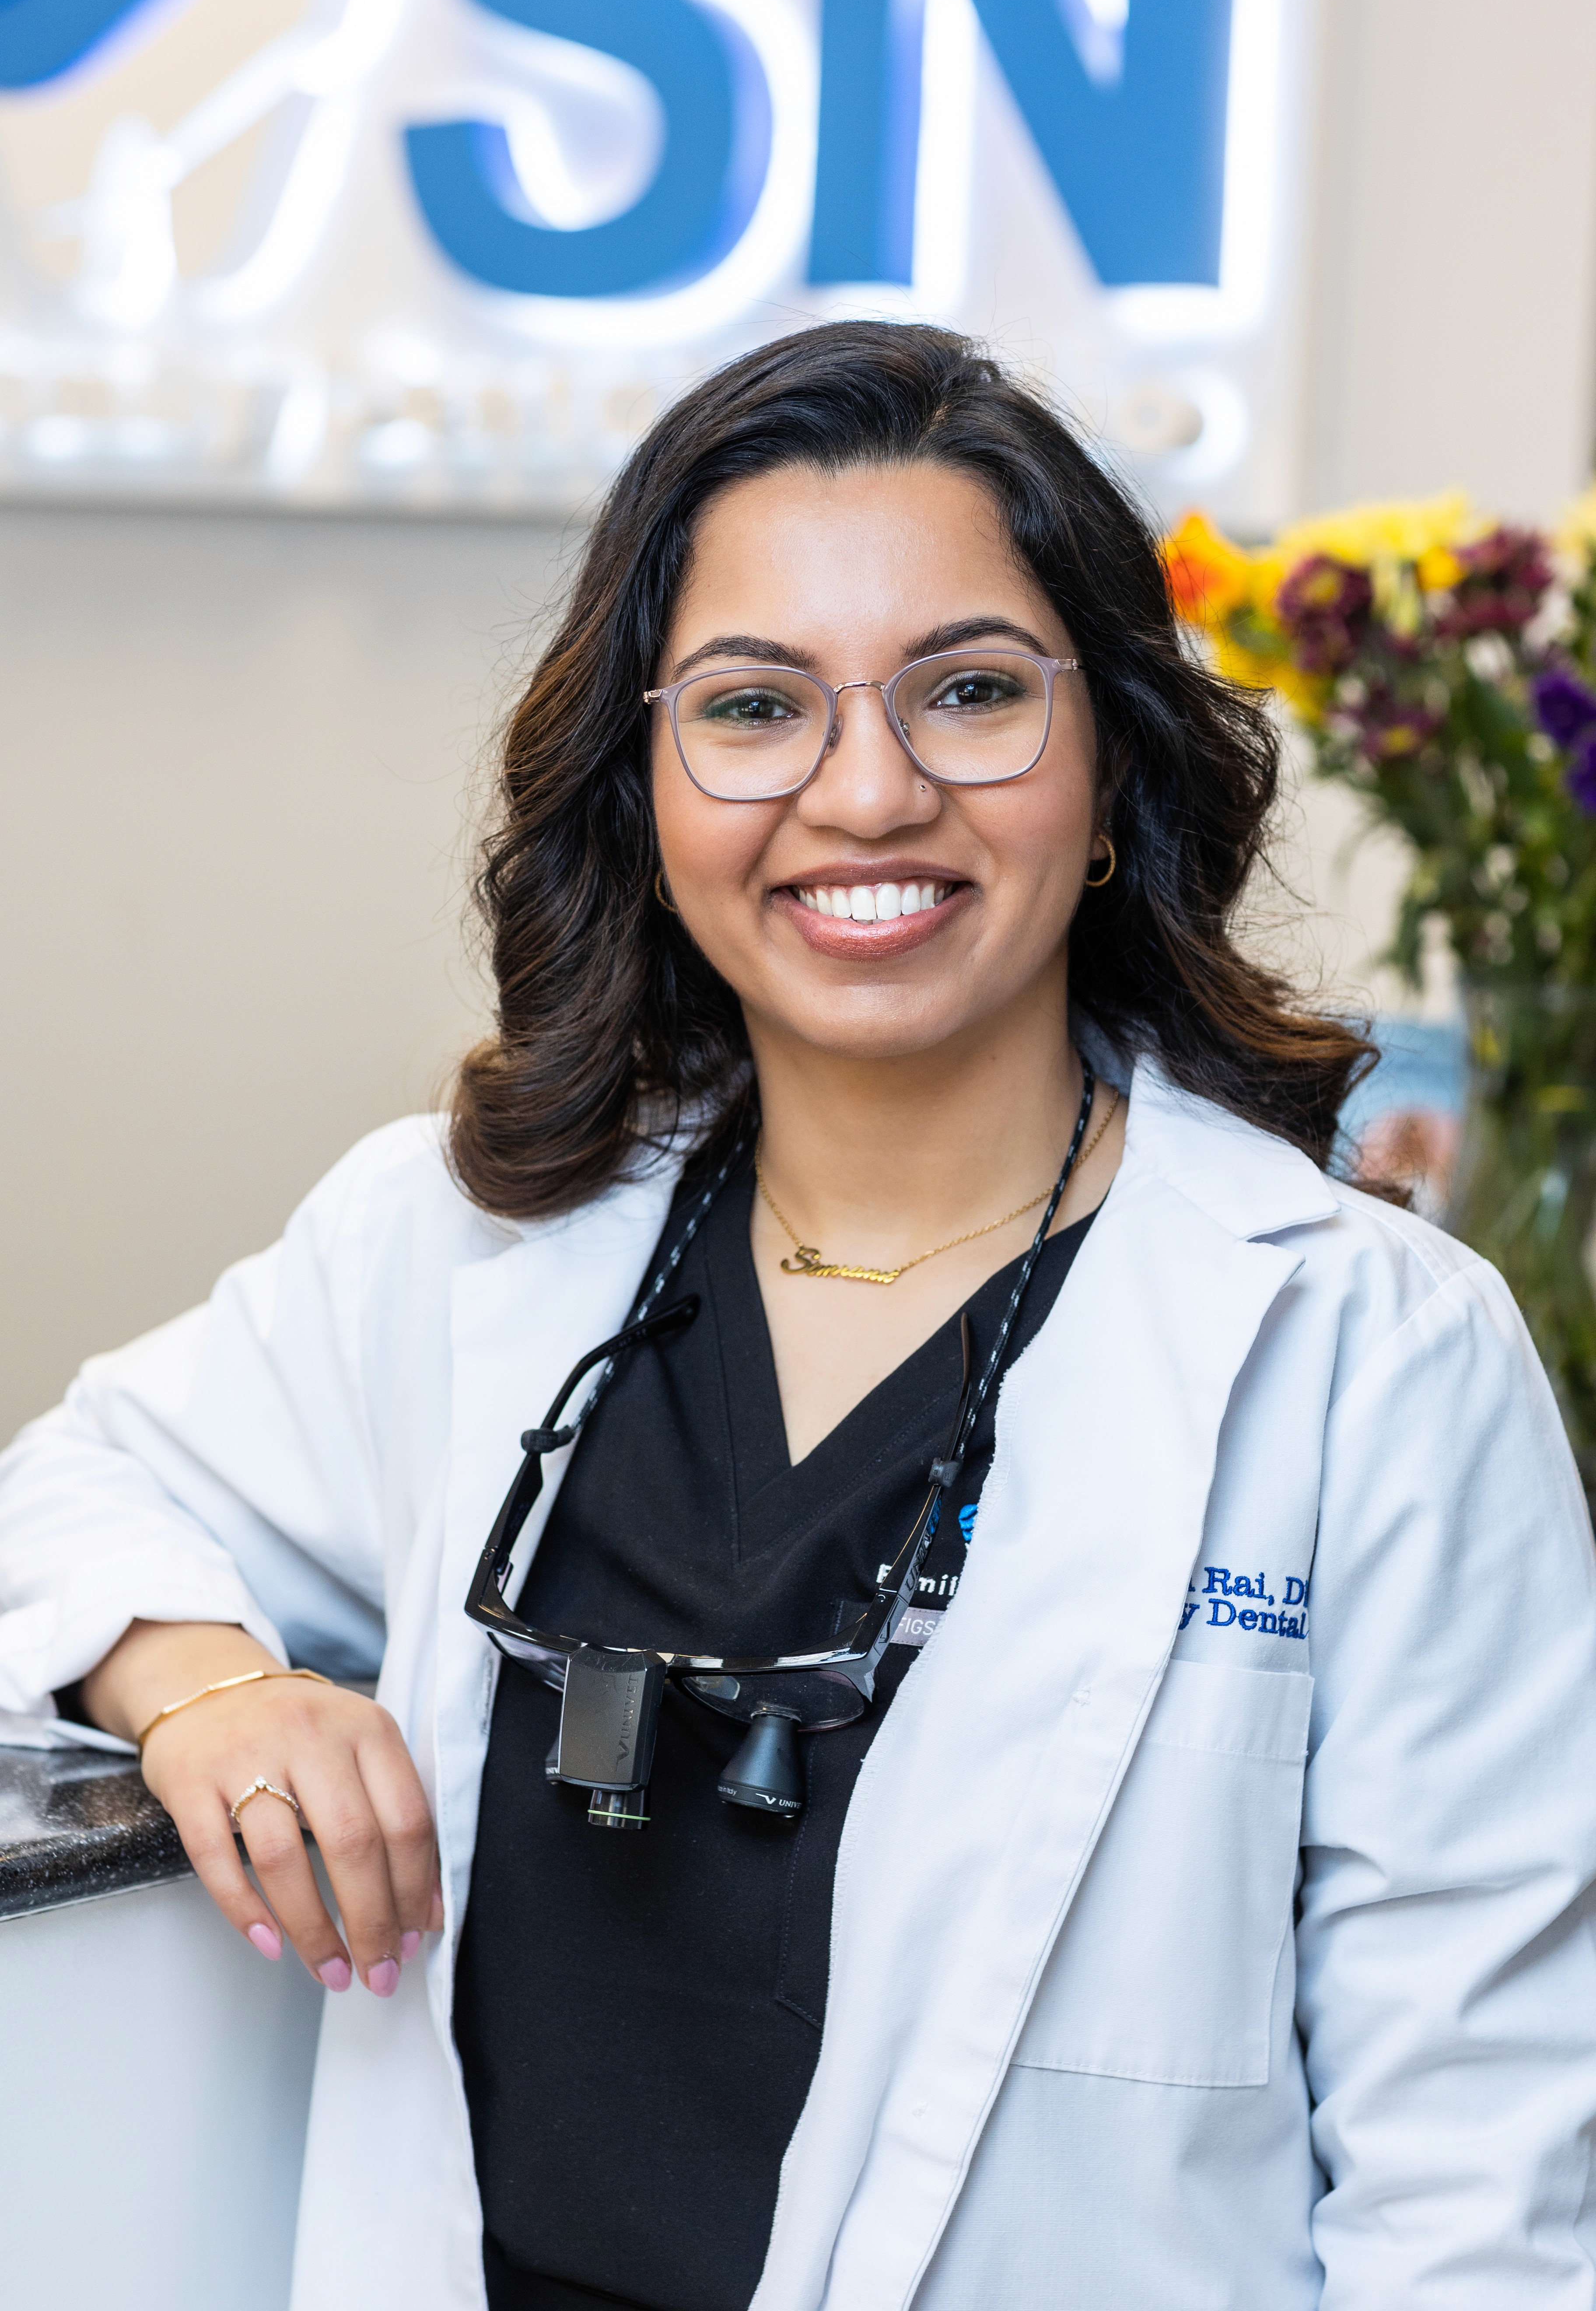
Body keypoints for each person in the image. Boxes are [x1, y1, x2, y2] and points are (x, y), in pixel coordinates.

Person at [2, 323, 1594, 2311]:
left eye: (974, 693)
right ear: (646, 790)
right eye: (755, 707)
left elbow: (1484, 2197)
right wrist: (218, 1690)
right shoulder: (455, 1245)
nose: (867, 791)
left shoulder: (1371, 1358)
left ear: (1109, 771)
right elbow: (62, 1497)